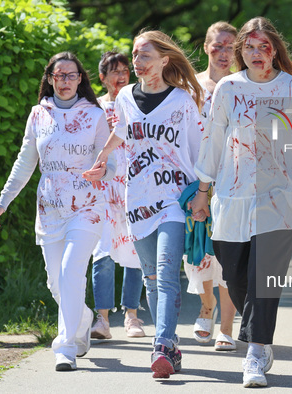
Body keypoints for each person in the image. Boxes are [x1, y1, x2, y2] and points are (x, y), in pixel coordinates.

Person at [190, 17, 292, 388]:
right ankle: (258, 331)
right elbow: (213, 142)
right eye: (250, 48)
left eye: (264, 47)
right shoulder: (227, 88)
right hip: (232, 195)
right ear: (242, 51)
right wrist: (203, 193)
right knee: (235, 274)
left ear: (275, 51)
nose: (257, 54)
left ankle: (256, 351)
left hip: (280, 196)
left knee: (264, 279)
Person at [83, 30, 204, 379]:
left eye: (145, 55)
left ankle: (162, 344)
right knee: (151, 277)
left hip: (174, 200)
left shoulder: (182, 100)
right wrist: (103, 159)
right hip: (137, 200)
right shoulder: (123, 98)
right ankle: (172, 346)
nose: (137, 62)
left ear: (165, 60)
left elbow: (198, 149)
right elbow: (120, 131)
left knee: (166, 272)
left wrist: (204, 194)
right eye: (135, 55)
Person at [0, 52, 114, 371]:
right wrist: (4, 200)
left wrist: (105, 171)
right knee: (56, 283)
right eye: (60, 76)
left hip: (87, 206)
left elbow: (112, 160)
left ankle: (66, 346)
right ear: (50, 79)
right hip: (49, 208)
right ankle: (83, 318)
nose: (66, 82)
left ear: (81, 79)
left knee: (72, 271)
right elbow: (25, 161)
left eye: (72, 76)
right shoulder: (38, 114)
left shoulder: (95, 115)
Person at [187, 21, 238, 351]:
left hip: (234, 180)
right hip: (195, 179)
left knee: (229, 256)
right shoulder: (190, 86)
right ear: (206, 47)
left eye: (230, 47)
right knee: (197, 256)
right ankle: (206, 306)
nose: (223, 52)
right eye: (217, 46)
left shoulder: (241, 86)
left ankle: (227, 328)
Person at [89, 51, 145, 341]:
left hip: (134, 185)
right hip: (103, 191)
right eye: (114, 71)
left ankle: (132, 315)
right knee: (103, 252)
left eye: (125, 70)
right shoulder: (95, 108)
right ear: (102, 77)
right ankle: (102, 319)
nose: (121, 76)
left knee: (135, 250)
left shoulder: (138, 104)